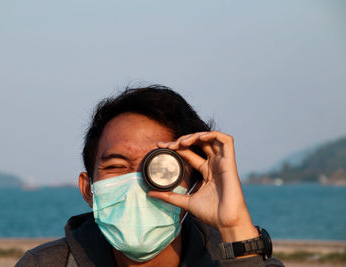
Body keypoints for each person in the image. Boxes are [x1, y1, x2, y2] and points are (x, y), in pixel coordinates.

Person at [16, 85, 284, 266]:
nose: (138, 184)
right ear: (88, 189)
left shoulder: (235, 260)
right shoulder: (46, 264)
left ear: (194, 186)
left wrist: (235, 227)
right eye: (116, 166)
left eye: (161, 169)